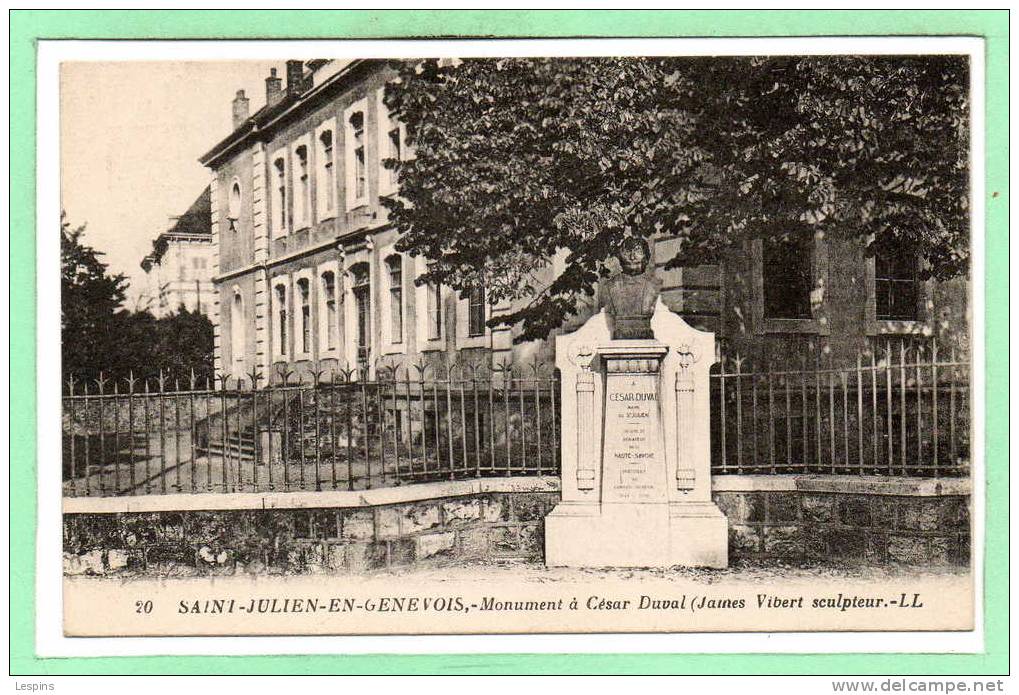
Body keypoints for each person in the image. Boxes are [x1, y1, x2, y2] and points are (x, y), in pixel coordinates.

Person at [603, 236, 662, 340]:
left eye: (638, 251)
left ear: (647, 257)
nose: (632, 257)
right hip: (620, 333)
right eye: (627, 252)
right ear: (620, 257)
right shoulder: (610, 286)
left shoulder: (654, 285)